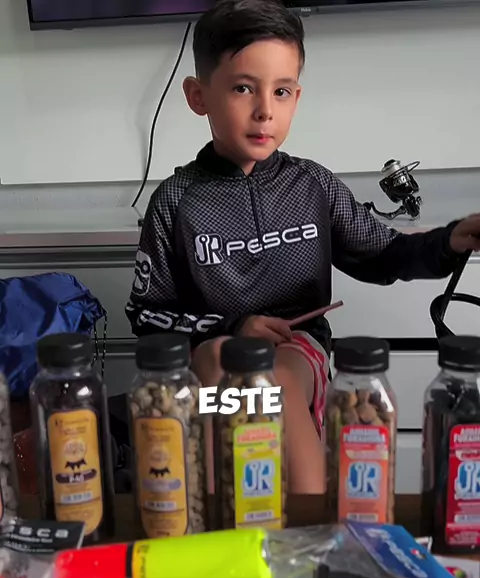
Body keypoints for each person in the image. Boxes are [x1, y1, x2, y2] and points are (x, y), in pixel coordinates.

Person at [126, 0, 480, 494]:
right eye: (243, 88)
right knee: (218, 362)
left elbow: (385, 254)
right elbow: (147, 315)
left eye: (282, 91)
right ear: (198, 95)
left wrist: (449, 240)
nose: (265, 110)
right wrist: (231, 326)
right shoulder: (175, 200)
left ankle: (312, 519)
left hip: (296, 349)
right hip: (212, 353)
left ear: (296, 96)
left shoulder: (313, 185)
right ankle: (213, 512)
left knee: (272, 381)